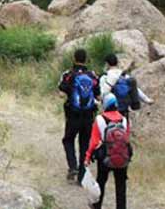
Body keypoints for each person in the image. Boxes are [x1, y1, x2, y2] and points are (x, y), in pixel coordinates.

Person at [58, 48, 100, 185]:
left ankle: (73, 166)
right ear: (86, 59)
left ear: (74, 59)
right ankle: (81, 177)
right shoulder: (93, 76)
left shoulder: (69, 74)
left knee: (68, 140)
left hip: (73, 114)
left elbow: (61, 93)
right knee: (84, 145)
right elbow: (98, 95)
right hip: (88, 115)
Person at [85, 93, 132, 209]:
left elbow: (94, 142)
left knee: (101, 183)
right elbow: (126, 138)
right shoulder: (124, 119)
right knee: (121, 186)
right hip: (122, 157)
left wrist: (87, 157)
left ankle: (97, 206)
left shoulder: (100, 119)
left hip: (105, 158)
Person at [99, 54, 143, 119]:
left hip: (110, 111)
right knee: (124, 127)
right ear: (117, 63)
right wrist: (147, 100)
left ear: (107, 64)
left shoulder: (105, 77)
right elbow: (136, 89)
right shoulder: (124, 75)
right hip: (124, 110)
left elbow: (103, 94)